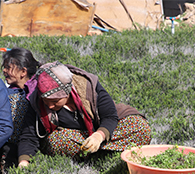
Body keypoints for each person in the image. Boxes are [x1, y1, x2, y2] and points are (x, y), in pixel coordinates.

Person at [16, 62, 151, 167]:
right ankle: (106, 152)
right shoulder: (36, 101)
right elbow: (29, 135)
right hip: (73, 137)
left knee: (140, 128)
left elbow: (110, 116)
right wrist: (24, 162)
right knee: (56, 141)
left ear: (67, 92)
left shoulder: (89, 86)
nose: (50, 106)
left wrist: (99, 136)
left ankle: (94, 152)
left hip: (101, 128)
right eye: (46, 102)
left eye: (55, 101)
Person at [1, 48, 39, 167]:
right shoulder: (9, 91)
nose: (4, 70)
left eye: (8, 67)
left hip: (28, 144)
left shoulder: (35, 93)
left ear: (23, 71)